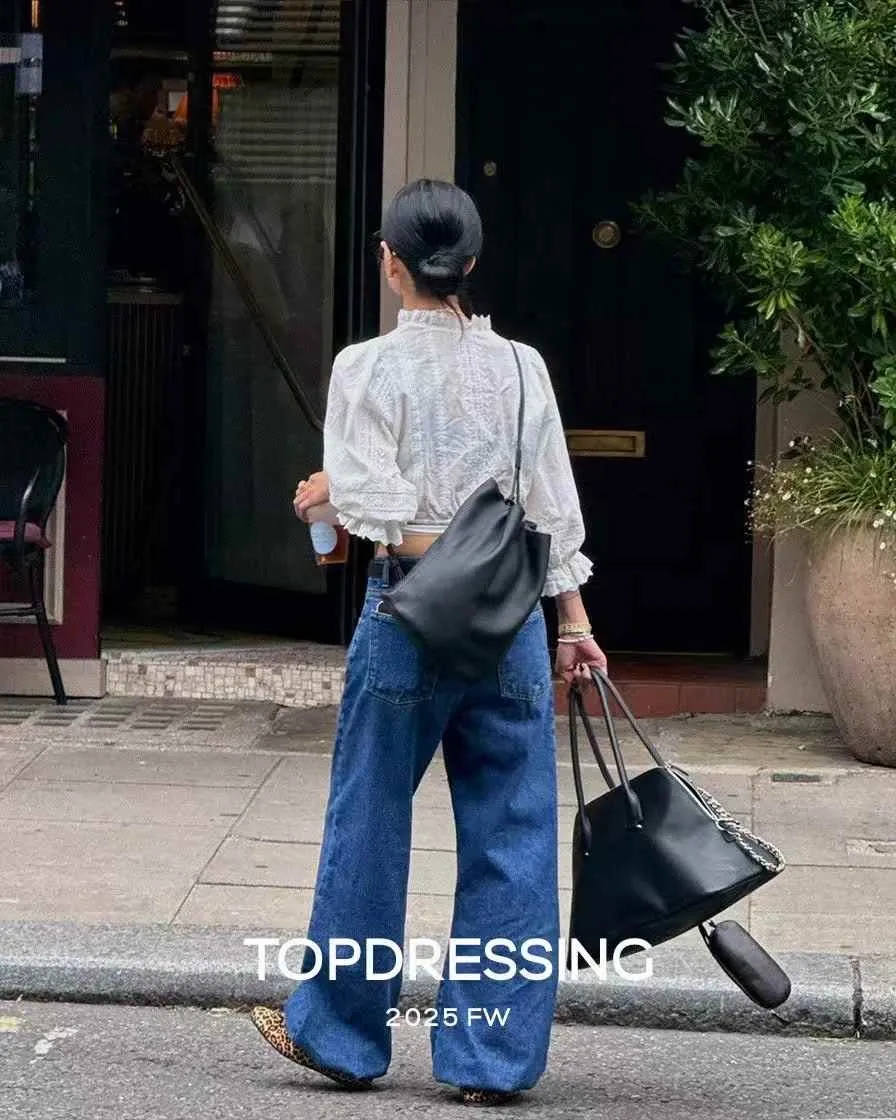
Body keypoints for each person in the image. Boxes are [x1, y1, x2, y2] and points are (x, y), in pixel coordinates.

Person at [250, 179, 606, 1106]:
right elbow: (551, 508)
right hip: (511, 621)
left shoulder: (367, 368)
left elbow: (377, 513)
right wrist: (574, 624)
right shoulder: (523, 367)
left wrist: (335, 496)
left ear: (391, 263)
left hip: (409, 616)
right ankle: (492, 1060)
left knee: (369, 822)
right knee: (513, 837)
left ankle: (340, 1036)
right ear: (471, 263)